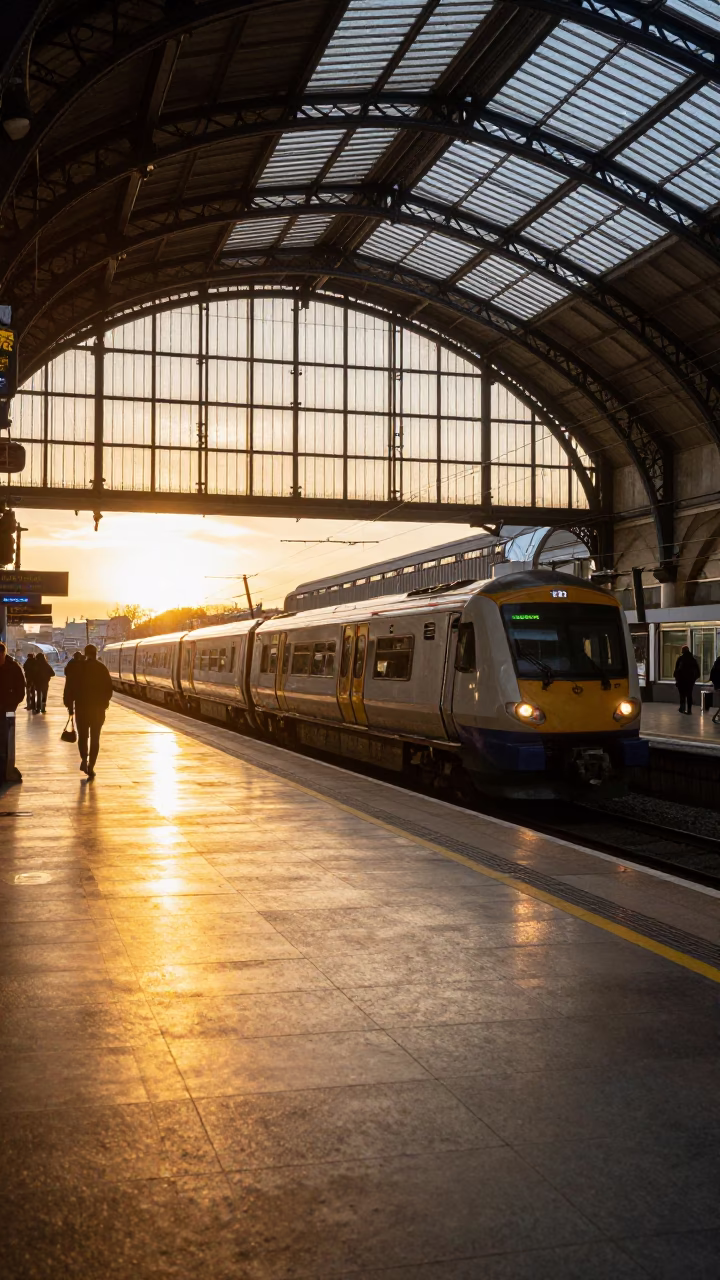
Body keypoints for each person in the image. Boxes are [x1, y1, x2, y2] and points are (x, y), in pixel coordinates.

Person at [72, 644, 113, 779]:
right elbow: (109, 689)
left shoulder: (80, 668)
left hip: (81, 708)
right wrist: (104, 703)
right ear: (96, 654)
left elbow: (72, 687)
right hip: (98, 710)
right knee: (95, 738)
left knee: (83, 736)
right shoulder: (102, 668)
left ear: (85, 653)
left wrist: (69, 705)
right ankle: (91, 766)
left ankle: (84, 759)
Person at [0, 642, 26, 782]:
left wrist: (11, 706)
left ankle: (5, 771)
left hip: (7, 711)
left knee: (6, 741)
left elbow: (21, 691)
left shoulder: (14, 668)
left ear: (4, 654)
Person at [674, 645, 700, 715]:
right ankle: (689, 709)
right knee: (689, 695)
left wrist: (677, 679)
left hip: (681, 681)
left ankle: (682, 708)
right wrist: (693, 679)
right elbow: (697, 671)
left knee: (682, 695)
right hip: (690, 681)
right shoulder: (693, 659)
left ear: (683, 651)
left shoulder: (680, 659)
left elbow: (676, 670)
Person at [711, 654, 720, 724]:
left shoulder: (716, 664)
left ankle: (716, 716)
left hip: (717, 686)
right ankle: (715, 716)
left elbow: (712, 676)